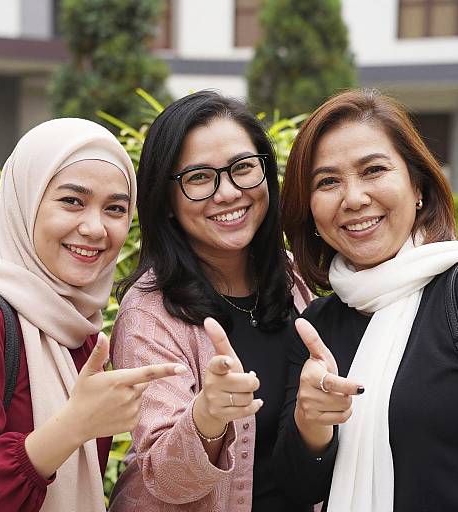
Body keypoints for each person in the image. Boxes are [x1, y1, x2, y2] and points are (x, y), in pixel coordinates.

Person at [0, 118, 186, 512]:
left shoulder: (80, 332)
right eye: (72, 201)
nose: (95, 228)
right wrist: (72, 425)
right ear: (25, 201)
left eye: (114, 208)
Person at [108, 90, 312, 511]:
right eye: (200, 177)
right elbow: (166, 481)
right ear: (166, 201)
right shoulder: (150, 313)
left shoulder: (294, 280)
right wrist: (208, 417)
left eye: (242, 168)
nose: (228, 193)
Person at [274, 88, 458, 511]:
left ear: (418, 185)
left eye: (373, 170)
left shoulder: (455, 294)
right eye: (328, 182)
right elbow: (295, 489)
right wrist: (311, 426)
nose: (354, 198)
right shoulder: (316, 324)